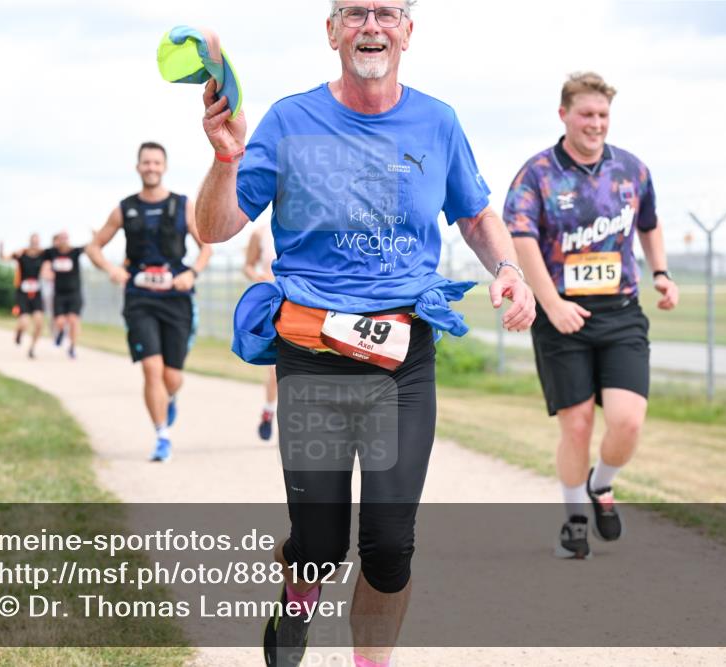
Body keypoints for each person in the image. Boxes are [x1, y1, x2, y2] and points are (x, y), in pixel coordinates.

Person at [196, 3, 535, 665]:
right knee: (319, 546)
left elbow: (475, 214)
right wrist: (226, 157)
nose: (371, 25)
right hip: (311, 358)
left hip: (402, 361)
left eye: (386, 12)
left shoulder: (438, 122)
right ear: (331, 31)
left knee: (388, 545)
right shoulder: (290, 120)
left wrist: (509, 270)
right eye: (354, 12)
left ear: (408, 29)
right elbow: (214, 227)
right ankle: (299, 595)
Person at [504, 72, 679, 560]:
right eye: (586, 114)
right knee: (577, 423)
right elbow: (521, 239)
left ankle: (601, 485)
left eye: (603, 115)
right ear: (564, 115)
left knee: (628, 422)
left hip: (620, 312)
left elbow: (649, 223)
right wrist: (552, 304)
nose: (596, 123)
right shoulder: (537, 174)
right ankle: (575, 521)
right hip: (561, 314)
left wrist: (661, 272)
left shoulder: (632, 170)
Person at [87, 141, 213, 463]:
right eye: (146, 162)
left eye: (156, 162)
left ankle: (170, 398)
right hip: (140, 299)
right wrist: (112, 270)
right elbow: (94, 247)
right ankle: (162, 437)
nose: (151, 168)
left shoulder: (183, 205)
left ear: (164, 167)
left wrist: (192, 274)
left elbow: (206, 246)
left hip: (176, 299)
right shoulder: (125, 208)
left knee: (172, 377)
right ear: (138, 167)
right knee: (151, 368)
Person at [243, 220, 278, 440]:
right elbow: (248, 265)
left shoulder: (308, 226)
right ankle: (269, 411)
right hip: (272, 302)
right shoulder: (261, 233)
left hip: (301, 302)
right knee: (275, 367)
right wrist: (257, 277)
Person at [1, 234, 46, 359]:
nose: (35, 244)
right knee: (24, 322)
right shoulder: (21, 255)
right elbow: (4, 258)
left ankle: (32, 348)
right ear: (30, 242)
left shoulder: (43, 255)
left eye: (37, 242)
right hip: (22, 293)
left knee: (39, 322)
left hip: (36, 293)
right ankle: (19, 332)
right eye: (33, 242)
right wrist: (1, 248)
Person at [42, 231, 86, 359]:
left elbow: (90, 247)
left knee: (73, 320)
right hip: (59, 293)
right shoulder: (51, 253)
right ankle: (60, 332)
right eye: (61, 238)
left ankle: (72, 347)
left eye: (65, 238)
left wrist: (96, 237)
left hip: (74, 293)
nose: (63, 240)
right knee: (60, 321)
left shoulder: (75, 252)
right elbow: (37, 254)